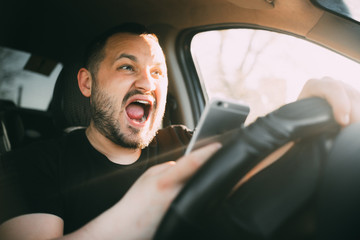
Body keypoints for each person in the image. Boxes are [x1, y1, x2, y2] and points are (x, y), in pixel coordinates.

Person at [0, 22, 359, 240]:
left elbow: (259, 173)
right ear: (87, 83)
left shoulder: (185, 142)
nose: (146, 82)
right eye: (128, 66)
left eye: (158, 73)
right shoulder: (30, 165)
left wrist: (301, 115)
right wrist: (137, 215)